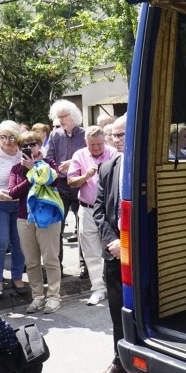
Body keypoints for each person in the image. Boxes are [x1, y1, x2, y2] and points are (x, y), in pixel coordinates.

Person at [92, 116, 132, 373]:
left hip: (137, 250)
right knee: (117, 309)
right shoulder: (107, 167)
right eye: (113, 136)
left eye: (121, 135)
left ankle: (145, 359)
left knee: (140, 307)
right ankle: (120, 360)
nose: (116, 140)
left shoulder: (145, 165)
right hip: (114, 250)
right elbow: (98, 210)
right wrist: (113, 243)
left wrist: (127, 244)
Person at [8, 131, 63, 314]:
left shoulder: (49, 164)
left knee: (50, 259)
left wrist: (35, 167)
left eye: (33, 144)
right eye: (24, 145)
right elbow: (13, 192)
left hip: (48, 218)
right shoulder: (16, 169)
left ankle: (54, 297)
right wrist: (28, 172)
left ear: (40, 145)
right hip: (24, 218)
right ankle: (37, 296)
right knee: (31, 262)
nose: (29, 148)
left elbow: (53, 182)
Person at [67, 126, 116, 305]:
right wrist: (85, 176)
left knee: (113, 249)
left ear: (105, 141)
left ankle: (113, 286)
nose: (96, 148)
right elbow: (71, 182)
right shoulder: (79, 155)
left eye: (99, 144)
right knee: (91, 251)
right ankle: (98, 289)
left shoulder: (113, 153)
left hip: (109, 209)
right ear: (86, 143)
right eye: (92, 145)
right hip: (87, 208)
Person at [0, 120, 27, 297]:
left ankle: (17, 277)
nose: (7, 141)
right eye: (3, 137)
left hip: (19, 203)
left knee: (19, 243)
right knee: (0, 242)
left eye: (11, 137)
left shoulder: (23, 153)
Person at [48, 100, 85, 255]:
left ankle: (84, 266)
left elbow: (91, 157)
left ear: (74, 116)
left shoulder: (84, 134)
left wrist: (74, 163)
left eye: (64, 116)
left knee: (83, 227)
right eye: (58, 116)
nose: (61, 119)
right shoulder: (55, 135)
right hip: (61, 184)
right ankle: (58, 267)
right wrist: (56, 168)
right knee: (58, 227)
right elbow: (49, 158)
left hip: (81, 183)